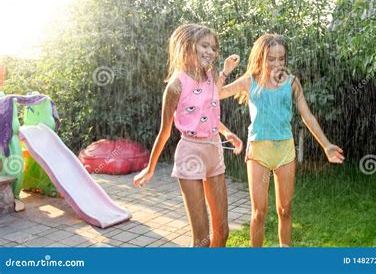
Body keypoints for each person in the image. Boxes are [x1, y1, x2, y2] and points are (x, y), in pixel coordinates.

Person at [219, 34, 344, 247]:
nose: (277, 64)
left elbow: (307, 116)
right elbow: (216, 93)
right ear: (260, 57)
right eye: (271, 58)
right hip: (258, 151)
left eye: (281, 59)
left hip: (285, 150)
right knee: (259, 212)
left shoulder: (292, 82)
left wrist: (326, 145)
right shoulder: (249, 81)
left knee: (285, 209)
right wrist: (224, 72)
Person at [133, 24, 242, 247]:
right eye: (205, 45)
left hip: (214, 151)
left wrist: (228, 133)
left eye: (214, 47)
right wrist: (150, 168)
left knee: (223, 232)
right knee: (202, 240)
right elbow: (164, 131)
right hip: (190, 153)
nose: (211, 51)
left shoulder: (211, 77)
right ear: (188, 47)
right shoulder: (176, 86)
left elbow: (207, 113)